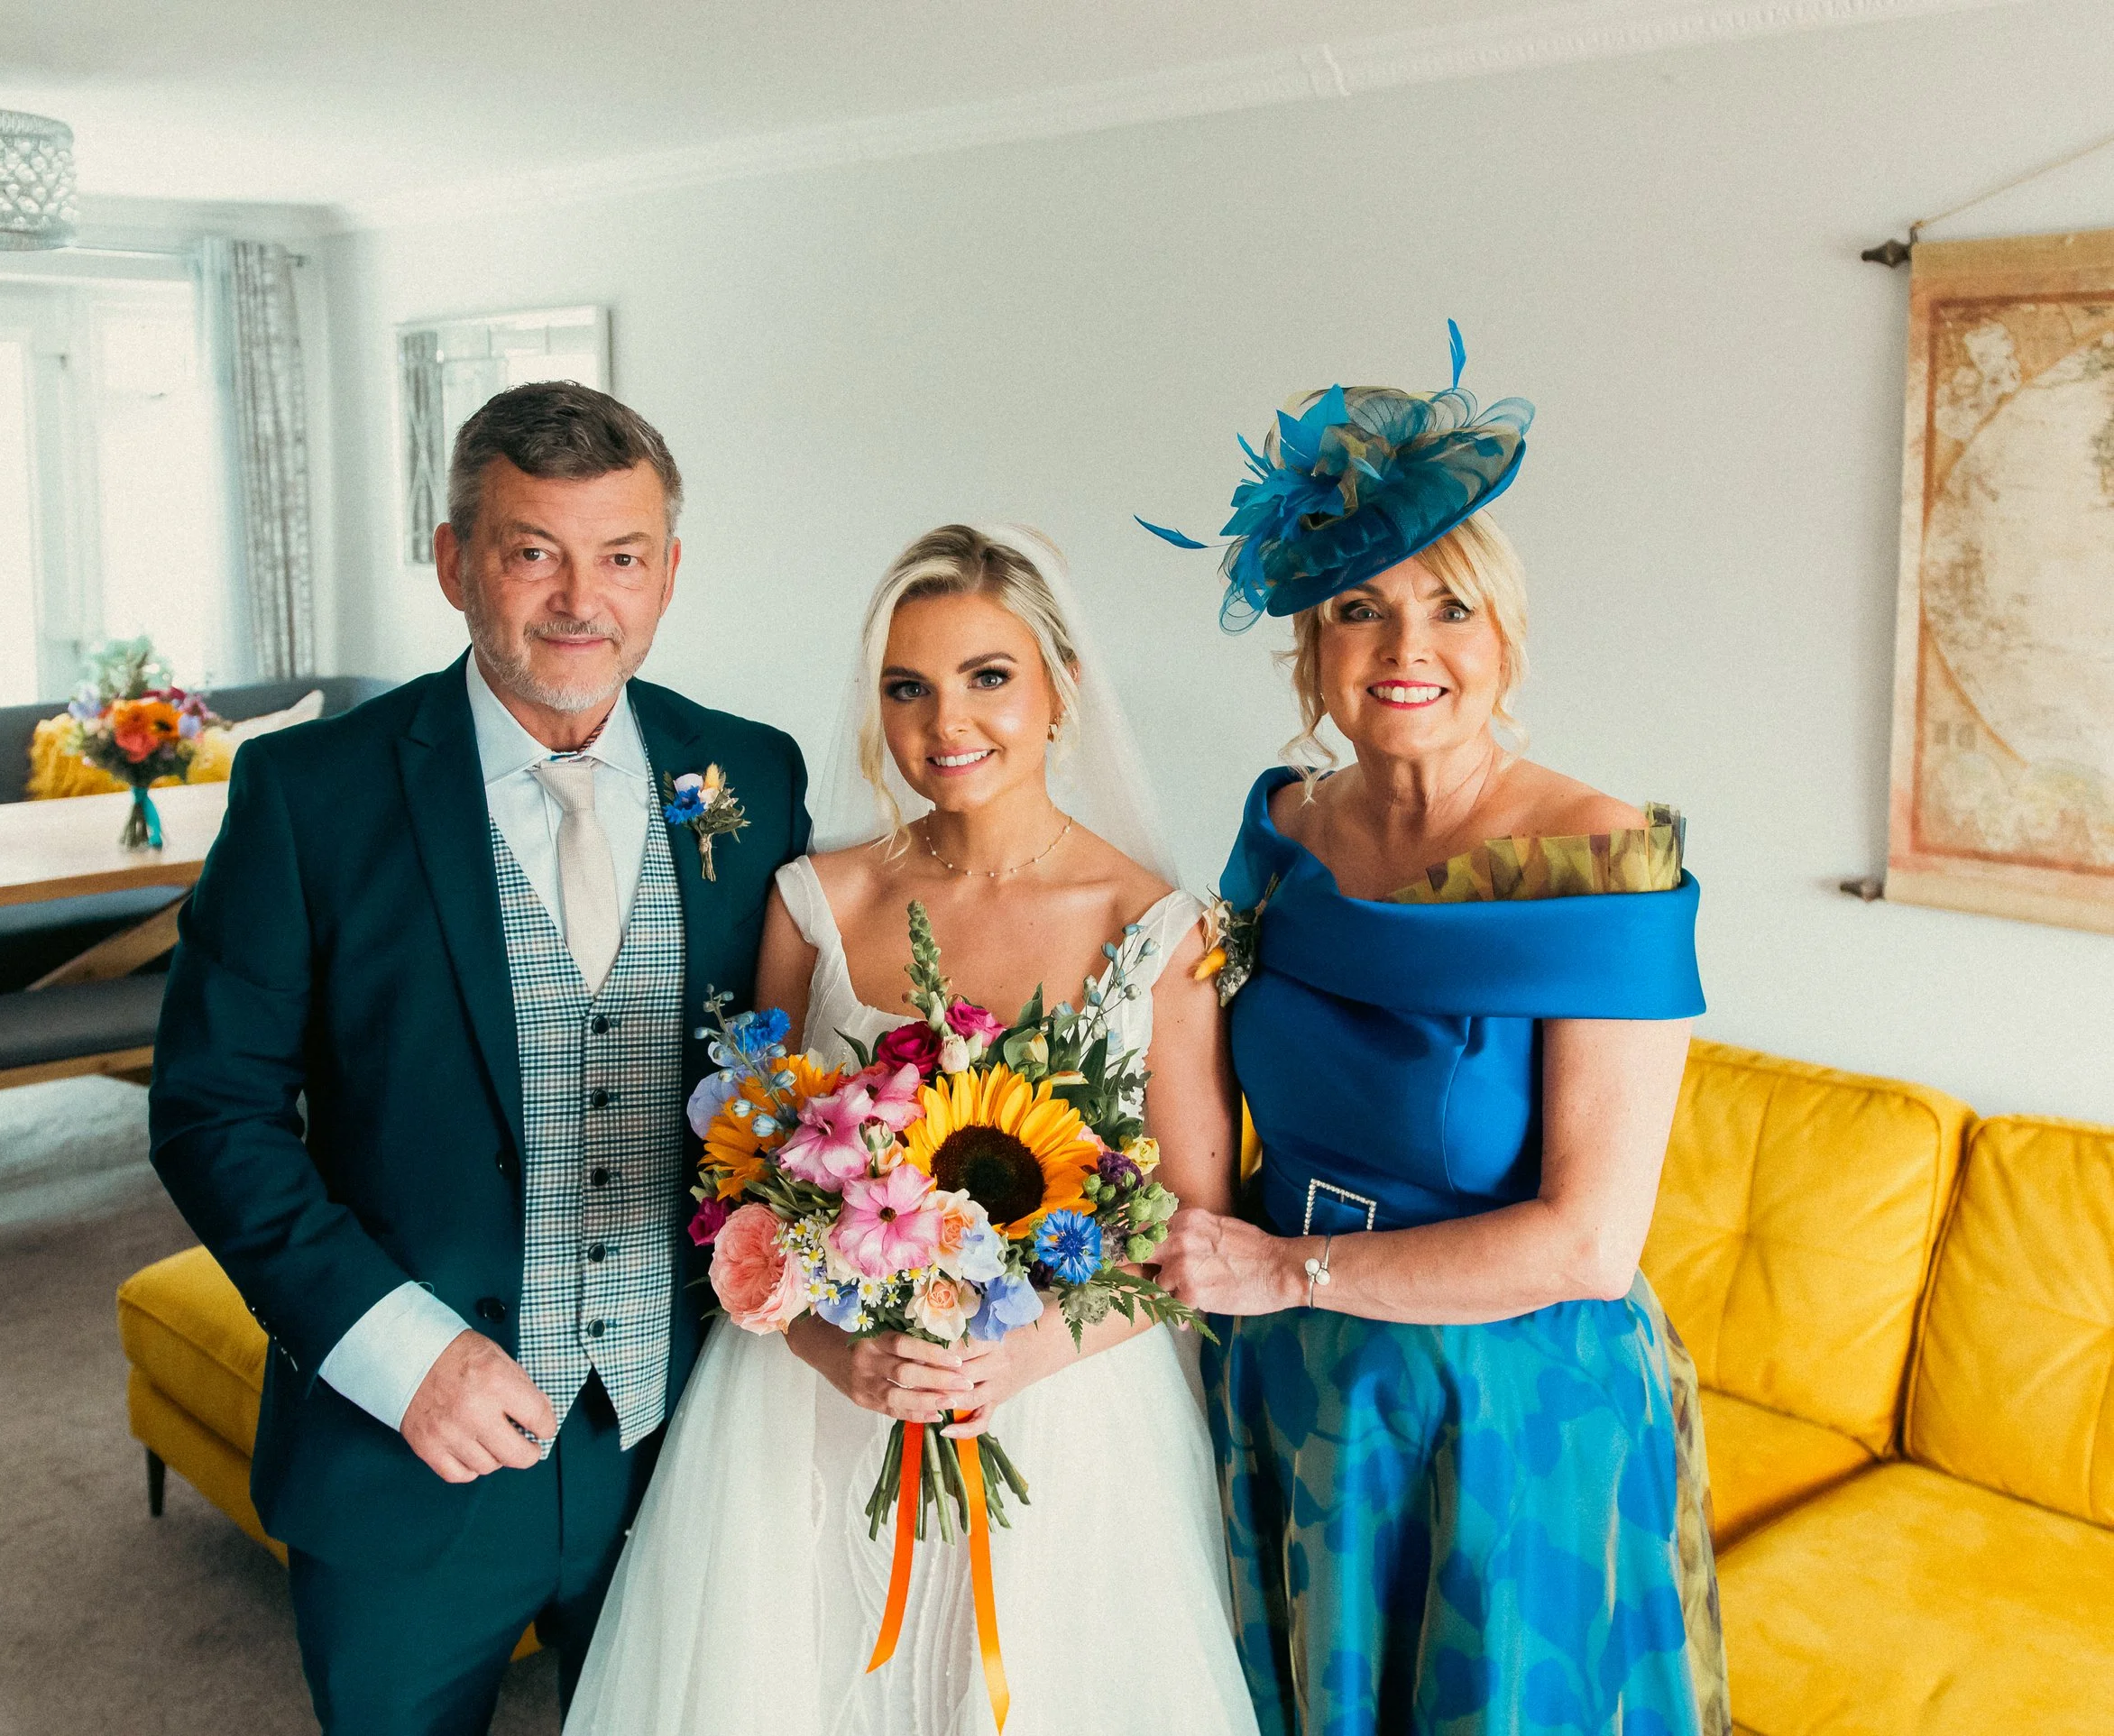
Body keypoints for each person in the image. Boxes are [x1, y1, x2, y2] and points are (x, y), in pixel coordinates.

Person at [149, 381, 813, 1732]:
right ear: (455, 562)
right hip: (406, 1448)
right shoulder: (308, 793)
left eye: (620, 556)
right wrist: (399, 1354)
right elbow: (213, 1111)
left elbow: (800, 1070)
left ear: (669, 572)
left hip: (683, 1440)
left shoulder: (754, 773)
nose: (581, 599)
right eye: (532, 553)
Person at [567, 524, 1256, 1735]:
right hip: (812, 1409)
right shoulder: (818, 900)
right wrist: (840, 1354)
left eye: (989, 676)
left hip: (1068, 1409)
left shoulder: (1153, 927)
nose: (947, 722)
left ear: (1062, 687)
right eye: (908, 687)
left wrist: (1022, 1358)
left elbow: (1192, 1233)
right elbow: (740, 1198)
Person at [1144, 327, 1729, 1735]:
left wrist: (1282, 1272)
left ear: (1505, 640)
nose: (1408, 649)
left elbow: (1589, 1244)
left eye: (1450, 608)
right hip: (1293, 1385)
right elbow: (1195, 1066)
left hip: (1502, 1406)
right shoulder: (1281, 830)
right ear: (1312, 649)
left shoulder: (1604, 863)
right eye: (1361, 608)